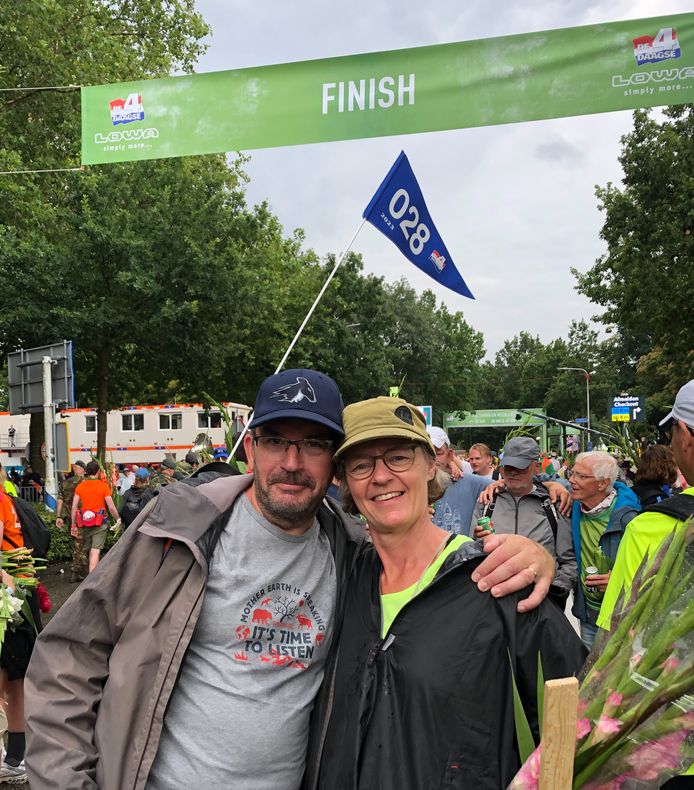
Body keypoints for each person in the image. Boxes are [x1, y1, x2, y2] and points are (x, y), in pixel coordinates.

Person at [24, 369, 556, 790]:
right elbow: (67, 660)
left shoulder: (351, 553)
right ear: (251, 448)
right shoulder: (177, 531)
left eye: (315, 444)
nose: (293, 463)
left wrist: (532, 554)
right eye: (276, 441)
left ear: (332, 466)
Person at [312, 397, 586, 789]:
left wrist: (543, 554)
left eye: (398, 457)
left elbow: (587, 725)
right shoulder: (342, 577)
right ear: (347, 484)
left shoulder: (497, 581)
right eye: (361, 465)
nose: (381, 476)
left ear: (429, 465)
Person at [472, 436, 577, 609]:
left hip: (542, 604)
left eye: (520, 468)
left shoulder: (554, 503)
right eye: (509, 467)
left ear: (536, 467)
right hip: (492, 603)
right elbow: (471, 552)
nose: (513, 472)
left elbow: (568, 561)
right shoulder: (487, 501)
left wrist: (552, 594)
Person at [569, 451, 641, 648]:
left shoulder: (629, 518)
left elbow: (649, 565)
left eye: (581, 476)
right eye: (572, 473)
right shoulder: (575, 505)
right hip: (589, 617)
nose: (572, 481)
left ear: (602, 483)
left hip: (621, 617)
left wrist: (620, 580)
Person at [0, 489, 42, 782]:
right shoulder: (7, 498)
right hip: (20, 594)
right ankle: (16, 759)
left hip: (6, 599)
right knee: (15, 681)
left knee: (7, 679)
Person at [426, 426, 492, 535]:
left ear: (450, 455)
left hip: (461, 551)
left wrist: (497, 485)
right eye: (427, 453)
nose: (432, 459)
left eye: (438, 453)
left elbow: (511, 487)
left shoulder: (469, 483)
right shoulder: (406, 487)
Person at [71, 461, 120, 573]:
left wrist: (73, 524)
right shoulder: (103, 486)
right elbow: (111, 507)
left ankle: (90, 574)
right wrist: (117, 518)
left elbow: (74, 507)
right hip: (99, 523)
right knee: (95, 551)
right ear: (98, 472)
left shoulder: (80, 486)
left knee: (89, 551)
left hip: (85, 523)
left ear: (87, 472)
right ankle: (92, 579)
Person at [55, 461, 88, 582]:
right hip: (83, 518)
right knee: (81, 544)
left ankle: (79, 568)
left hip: (70, 518)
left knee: (77, 543)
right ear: (83, 469)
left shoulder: (65, 483)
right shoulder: (86, 482)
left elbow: (60, 501)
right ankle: (78, 570)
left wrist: (58, 517)